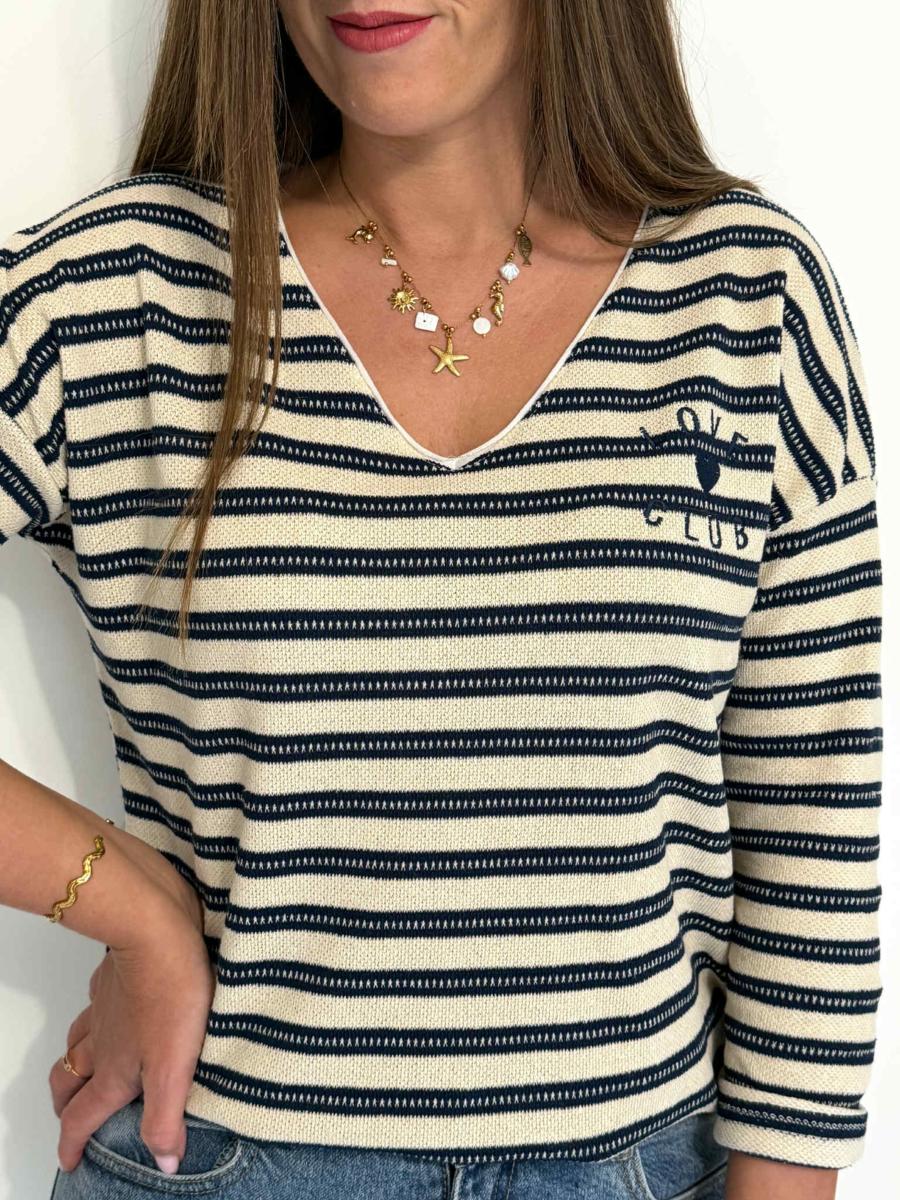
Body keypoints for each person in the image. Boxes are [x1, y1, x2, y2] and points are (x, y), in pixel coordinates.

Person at [0, 2, 881, 1198]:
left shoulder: (744, 299)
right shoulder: (113, 297)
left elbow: (813, 833)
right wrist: (123, 904)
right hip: (216, 1156)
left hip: (636, 1162)